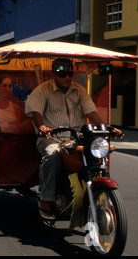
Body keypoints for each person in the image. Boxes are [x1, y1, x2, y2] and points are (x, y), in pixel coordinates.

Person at [25, 58, 122, 220]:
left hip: (77, 139)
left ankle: (97, 192)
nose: (67, 77)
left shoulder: (79, 91)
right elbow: (36, 113)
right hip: (51, 138)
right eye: (63, 74)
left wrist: (108, 128)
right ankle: (46, 198)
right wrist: (42, 128)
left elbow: (92, 113)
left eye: (70, 74)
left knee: (96, 154)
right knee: (52, 154)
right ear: (55, 73)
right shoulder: (43, 90)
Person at [0, 76, 34, 157]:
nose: (7, 89)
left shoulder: (15, 107)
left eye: (9, 86)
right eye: (4, 85)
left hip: (14, 142)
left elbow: (19, 128)